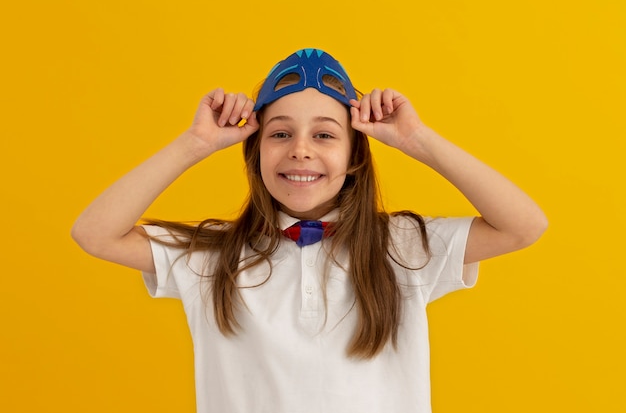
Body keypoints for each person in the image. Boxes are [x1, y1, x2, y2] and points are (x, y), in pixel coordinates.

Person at [72, 48, 547, 413]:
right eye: (280, 134)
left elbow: (524, 226)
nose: (300, 150)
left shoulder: (403, 246)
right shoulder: (212, 255)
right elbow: (95, 234)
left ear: (355, 155)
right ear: (255, 153)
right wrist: (194, 143)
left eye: (324, 134)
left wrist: (417, 139)